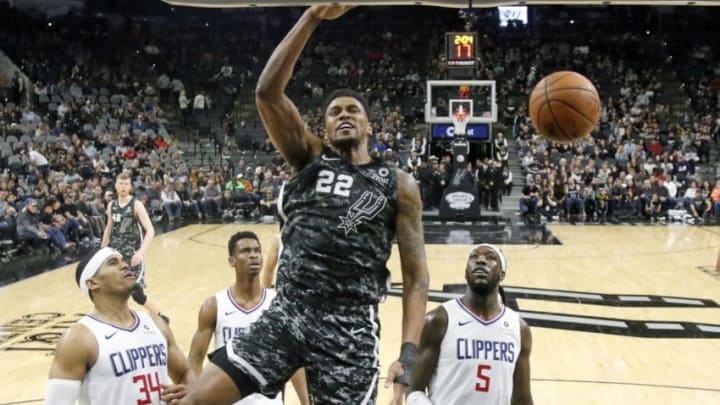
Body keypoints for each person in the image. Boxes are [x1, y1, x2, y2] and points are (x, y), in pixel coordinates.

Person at [180, 5, 429, 404]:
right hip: (287, 315)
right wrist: (312, 15)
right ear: (325, 127)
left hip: (349, 329)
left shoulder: (398, 185)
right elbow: (266, 92)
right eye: (335, 112)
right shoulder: (309, 155)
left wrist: (408, 354)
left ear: (369, 125)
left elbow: (416, 278)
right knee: (195, 400)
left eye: (353, 110)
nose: (344, 115)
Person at [45, 248, 193, 404]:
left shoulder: (156, 324)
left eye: (123, 260)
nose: (125, 265)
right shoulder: (79, 338)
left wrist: (190, 392)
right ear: (92, 283)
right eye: (113, 263)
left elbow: (185, 374)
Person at [187, 231, 309, 405]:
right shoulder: (214, 305)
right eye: (245, 251)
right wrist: (195, 394)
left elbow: (295, 362)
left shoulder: (278, 303)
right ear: (232, 261)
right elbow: (195, 359)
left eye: (257, 250)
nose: (254, 255)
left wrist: (306, 401)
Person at [407, 244, 533, 405]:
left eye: (490, 257)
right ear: (466, 272)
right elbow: (414, 389)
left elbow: (522, 398)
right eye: (474, 257)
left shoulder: (519, 328)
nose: (480, 260)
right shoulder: (439, 320)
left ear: (502, 274)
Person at [101, 172, 164, 320]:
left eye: (126, 184)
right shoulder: (112, 205)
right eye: (120, 184)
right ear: (116, 186)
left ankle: (161, 318)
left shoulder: (136, 205)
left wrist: (140, 253)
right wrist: (101, 251)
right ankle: (118, 321)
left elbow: (150, 230)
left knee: (137, 295)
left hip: (133, 257)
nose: (123, 187)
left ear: (130, 187)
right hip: (116, 258)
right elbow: (108, 228)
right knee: (114, 291)